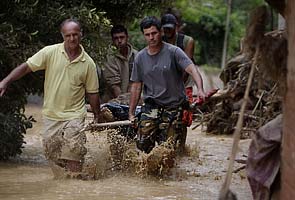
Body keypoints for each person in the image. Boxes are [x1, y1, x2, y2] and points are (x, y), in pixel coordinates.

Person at [0, 19, 101, 174]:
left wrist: (97, 115)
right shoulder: (50, 52)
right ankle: (67, 184)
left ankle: (76, 187)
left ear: (81, 34)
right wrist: (5, 81)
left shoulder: (88, 63)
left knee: (73, 151)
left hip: (74, 116)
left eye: (75, 34)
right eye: (68, 35)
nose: (72, 38)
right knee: (53, 157)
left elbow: (93, 93)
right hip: (51, 115)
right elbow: (27, 67)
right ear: (62, 36)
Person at [128, 16, 206, 153]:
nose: (151, 37)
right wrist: (131, 113)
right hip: (151, 106)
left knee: (167, 149)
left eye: (154, 33)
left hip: (174, 106)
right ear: (144, 36)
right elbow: (136, 86)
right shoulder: (140, 57)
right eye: (147, 34)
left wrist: (200, 89)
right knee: (142, 145)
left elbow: (192, 69)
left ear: (161, 32)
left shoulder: (174, 52)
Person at [161, 13, 197, 151]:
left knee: (183, 117)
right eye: (165, 29)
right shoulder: (159, 41)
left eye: (170, 28)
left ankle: (181, 147)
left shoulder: (187, 41)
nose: (168, 32)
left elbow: (186, 67)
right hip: (164, 82)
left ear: (176, 27)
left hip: (184, 82)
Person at [102, 25, 138, 102]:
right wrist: (123, 102)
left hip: (133, 98)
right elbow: (113, 84)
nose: (119, 41)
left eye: (122, 37)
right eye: (116, 38)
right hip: (113, 100)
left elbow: (136, 80)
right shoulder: (109, 57)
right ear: (112, 40)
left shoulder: (136, 55)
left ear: (127, 37)